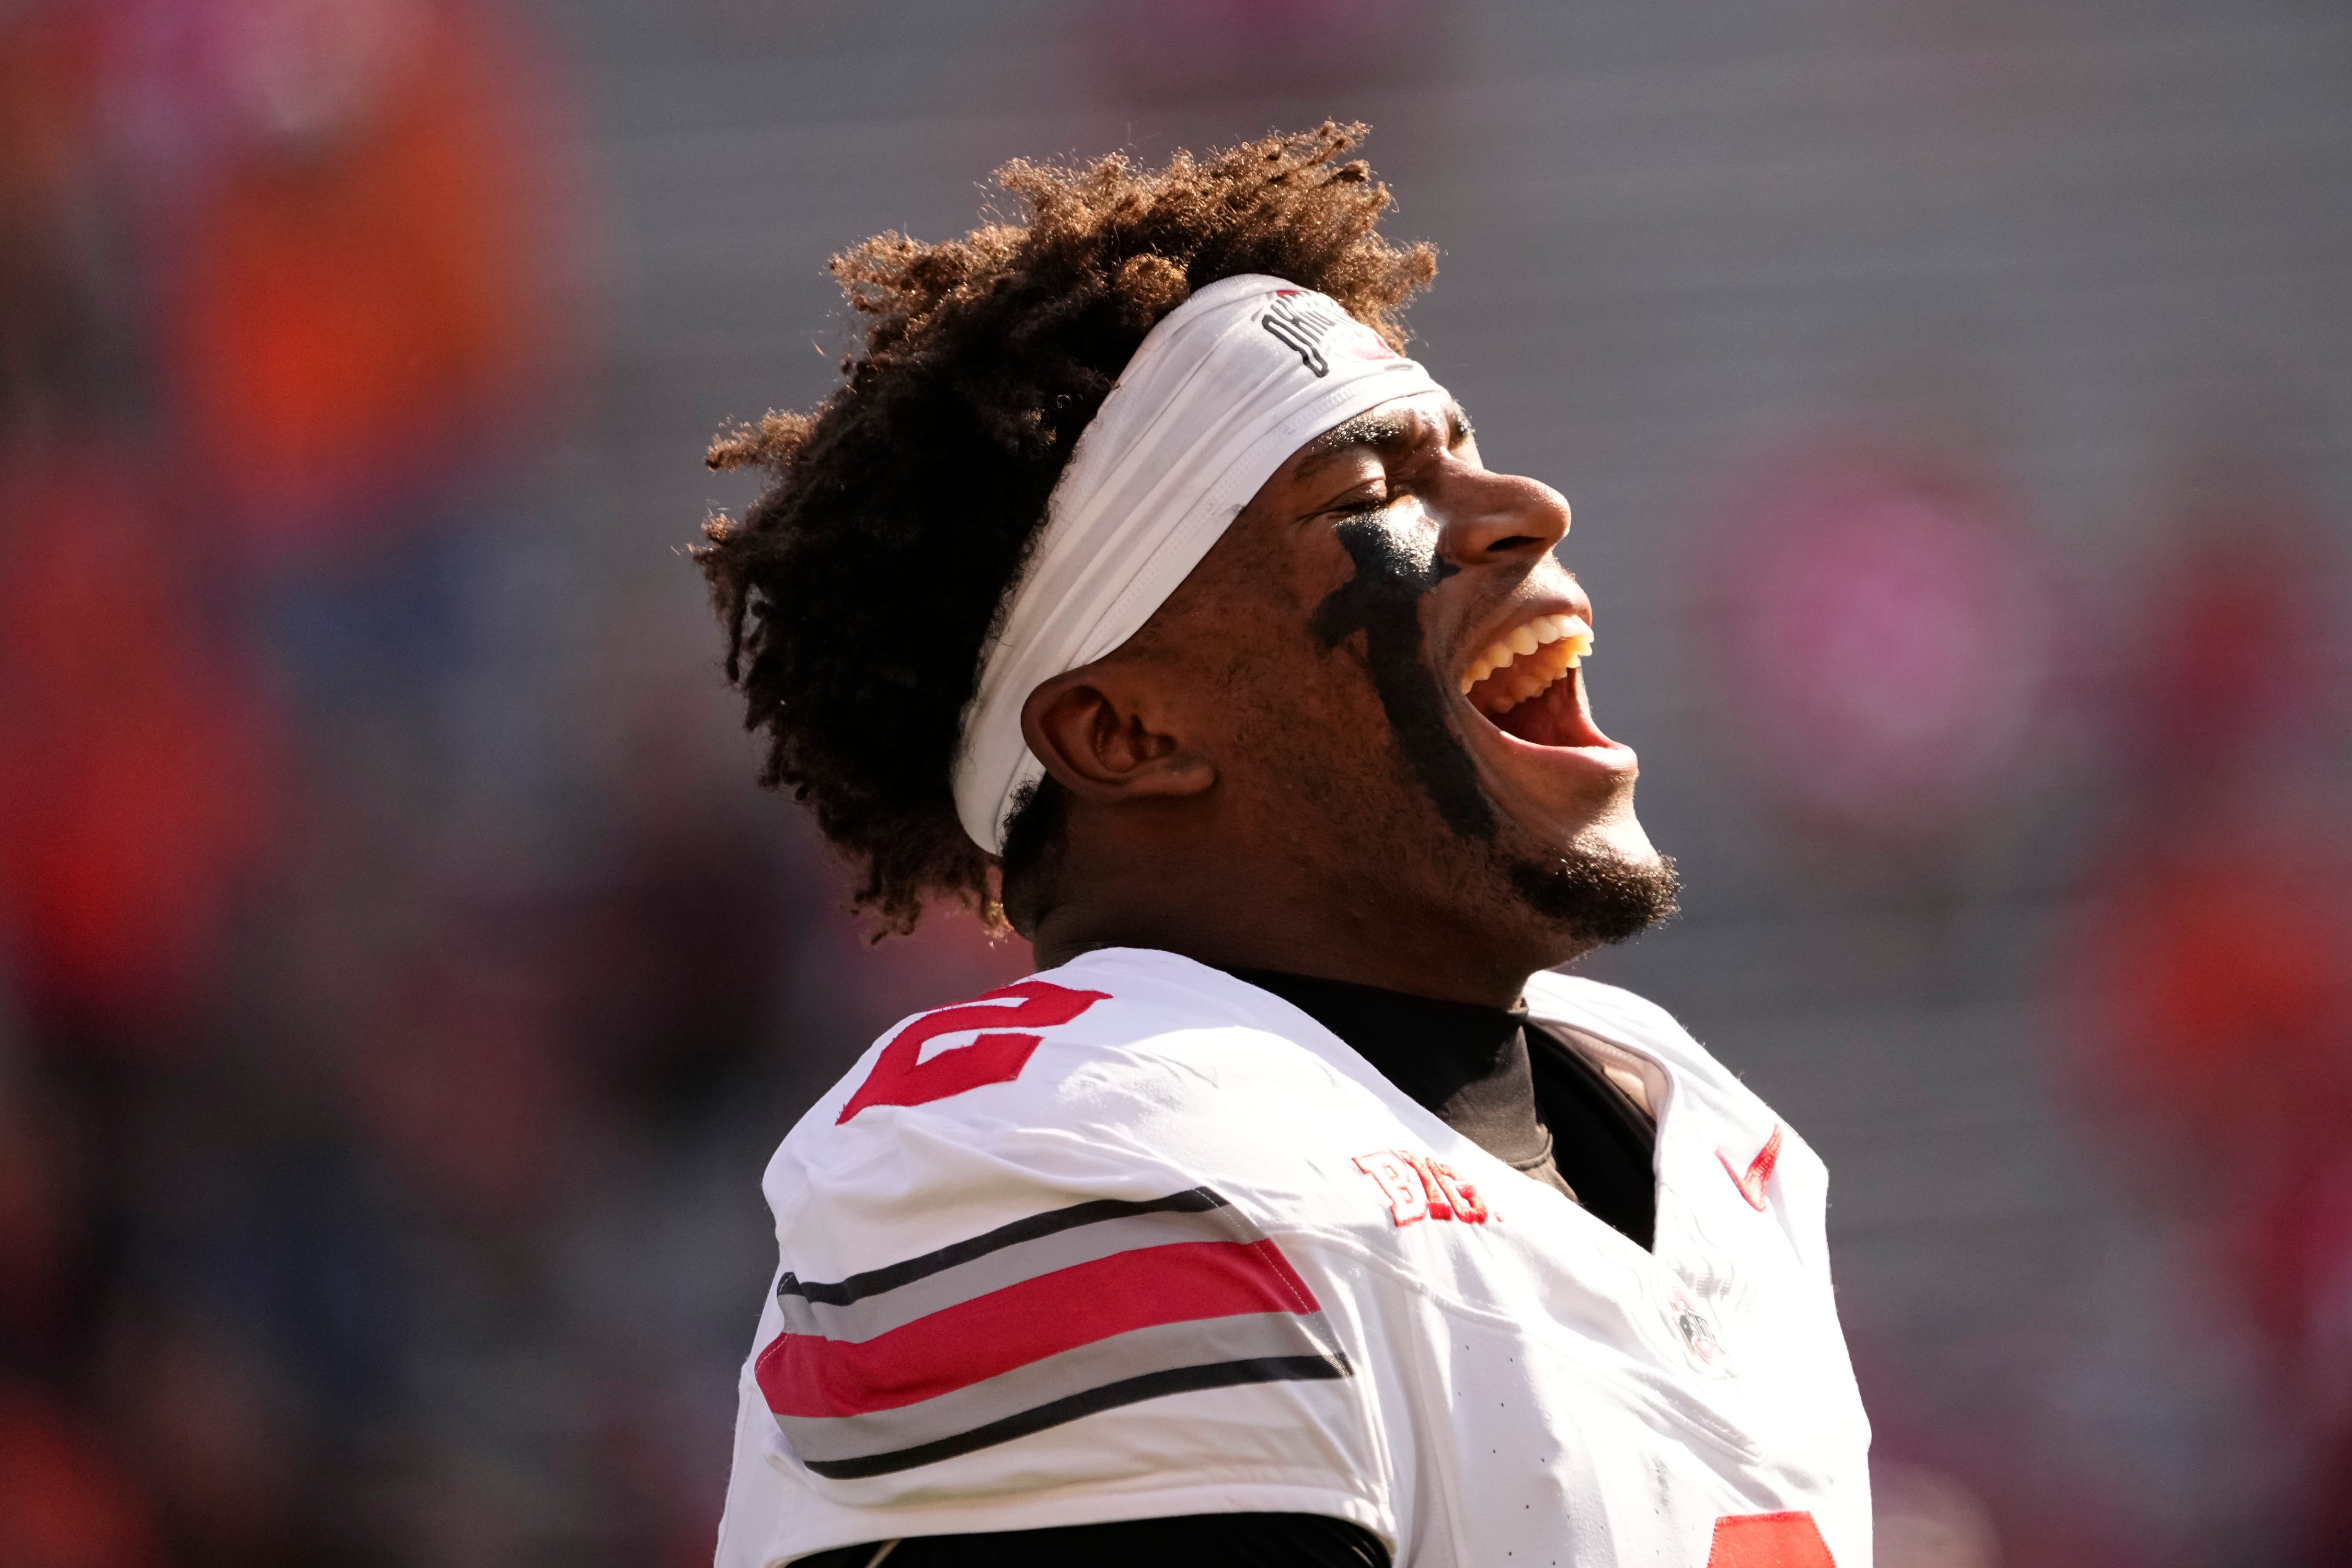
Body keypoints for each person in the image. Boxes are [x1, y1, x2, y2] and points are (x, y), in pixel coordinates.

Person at [695, 124, 1869, 1568]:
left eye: (1466, 453)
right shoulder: (1063, 1146)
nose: (1525, 510)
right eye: (1366, 497)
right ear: (1125, 732)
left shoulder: (1694, 1129)